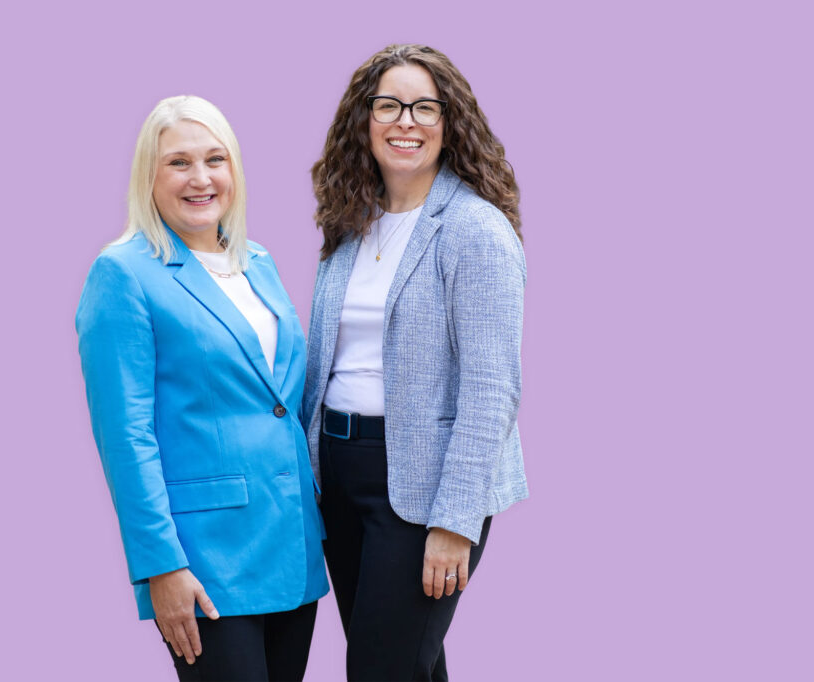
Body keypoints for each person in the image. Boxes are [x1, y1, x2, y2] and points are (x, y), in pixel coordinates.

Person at [76, 95, 328, 682]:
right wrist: (160, 564)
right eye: (178, 163)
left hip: (291, 541)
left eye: (215, 159)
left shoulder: (257, 261)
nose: (201, 178)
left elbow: (279, 401)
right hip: (206, 558)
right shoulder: (123, 275)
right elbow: (125, 436)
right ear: (149, 176)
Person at [304, 44, 529, 681]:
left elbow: (492, 388)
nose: (406, 121)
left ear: (449, 122)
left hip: (426, 487)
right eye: (389, 106)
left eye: (425, 107)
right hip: (341, 478)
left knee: (380, 669)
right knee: (411, 666)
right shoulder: (350, 222)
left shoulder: (474, 229)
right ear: (364, 121)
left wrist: (455, 523)